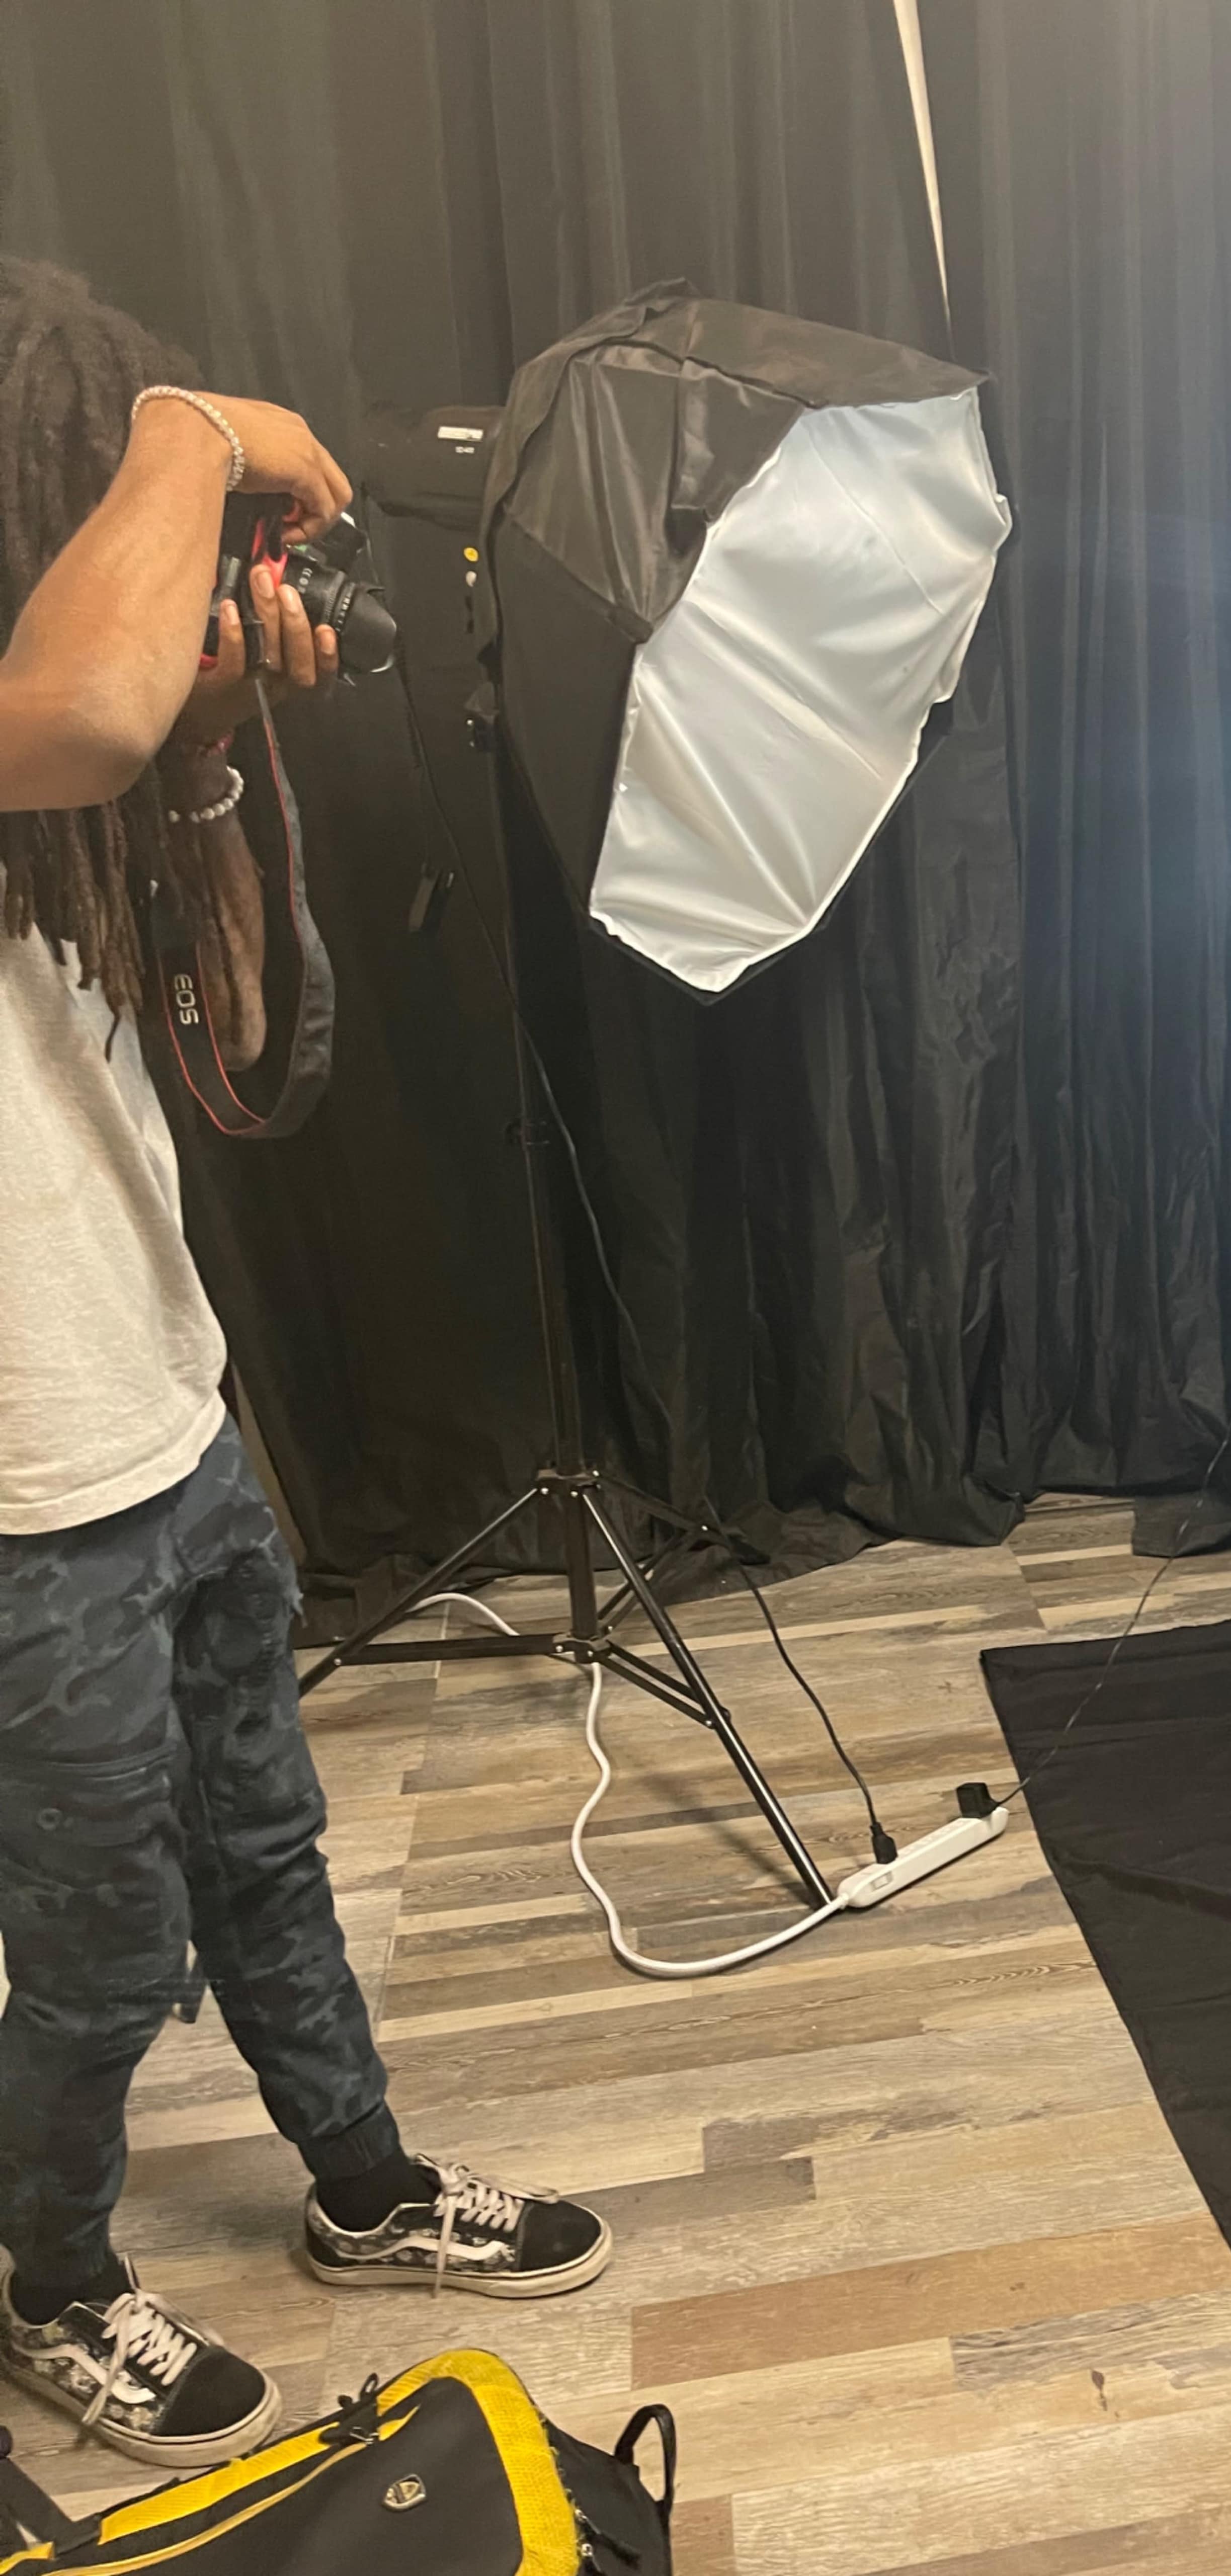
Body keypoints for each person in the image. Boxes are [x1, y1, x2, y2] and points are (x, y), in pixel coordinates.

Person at [0, 261, 610, 2472]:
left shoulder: (58, 781)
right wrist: (183, 425)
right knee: (89, 1944)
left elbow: (246, 1034)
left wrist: (219, 736)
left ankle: (355, 2182)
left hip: (162, 1409)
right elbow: (60, 702)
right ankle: (49, 2270)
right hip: (13, 1508)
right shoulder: (29, 707)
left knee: (266, 1840)